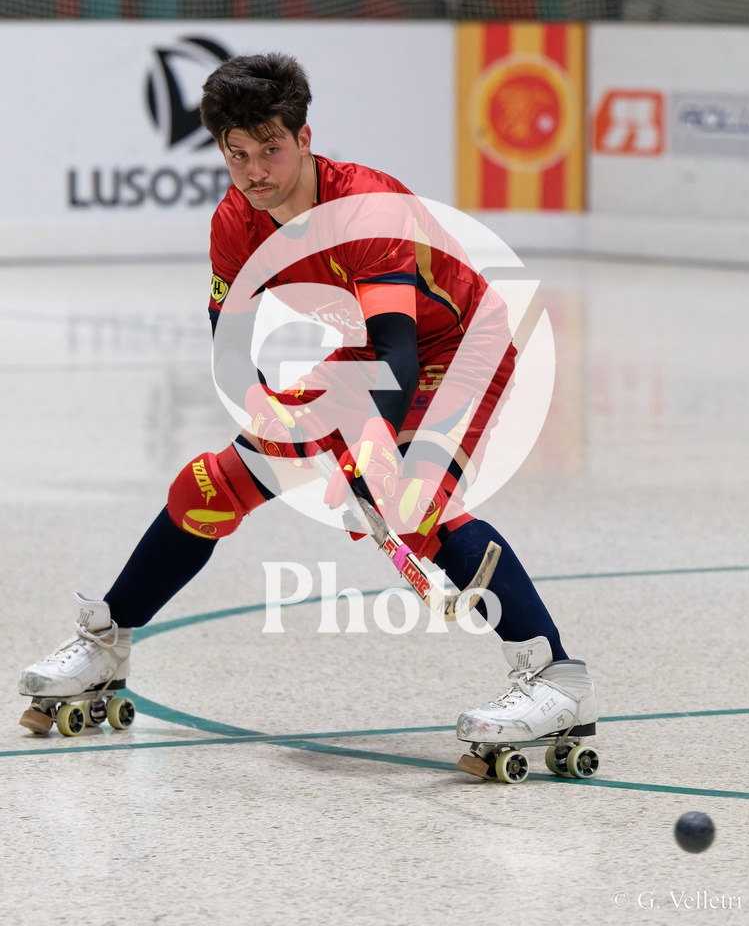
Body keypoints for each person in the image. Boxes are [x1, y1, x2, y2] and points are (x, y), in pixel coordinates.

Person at [18, 53, 597, 767]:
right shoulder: (236, 221)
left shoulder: (365, 209)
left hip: (459, 346)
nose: (256, 170)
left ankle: (556, 679)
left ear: (304, 137)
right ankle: (107, 644)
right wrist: (269, 419)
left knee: (419, 505)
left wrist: (375, 457)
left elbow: (399, 347)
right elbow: (231, 350)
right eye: (238, 155)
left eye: (271, 148)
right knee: (211, 484)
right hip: (371, 356)